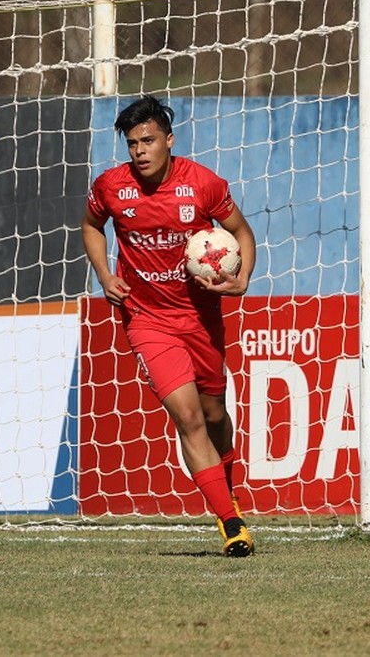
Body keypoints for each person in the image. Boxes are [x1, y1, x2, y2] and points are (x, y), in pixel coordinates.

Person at [81, 95, 257, 556]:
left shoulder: (202, 184)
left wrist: (242, 279)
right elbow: (91, 226)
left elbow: (242, 233)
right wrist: (105, 273)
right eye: (132, 143)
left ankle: (227, 487)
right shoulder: (111, 187)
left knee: (215, 415)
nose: (139, 151)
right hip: (147, 320)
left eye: (148, 140)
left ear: (168, 140)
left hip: (200, 318)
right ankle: (231, 523)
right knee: (188, 416)